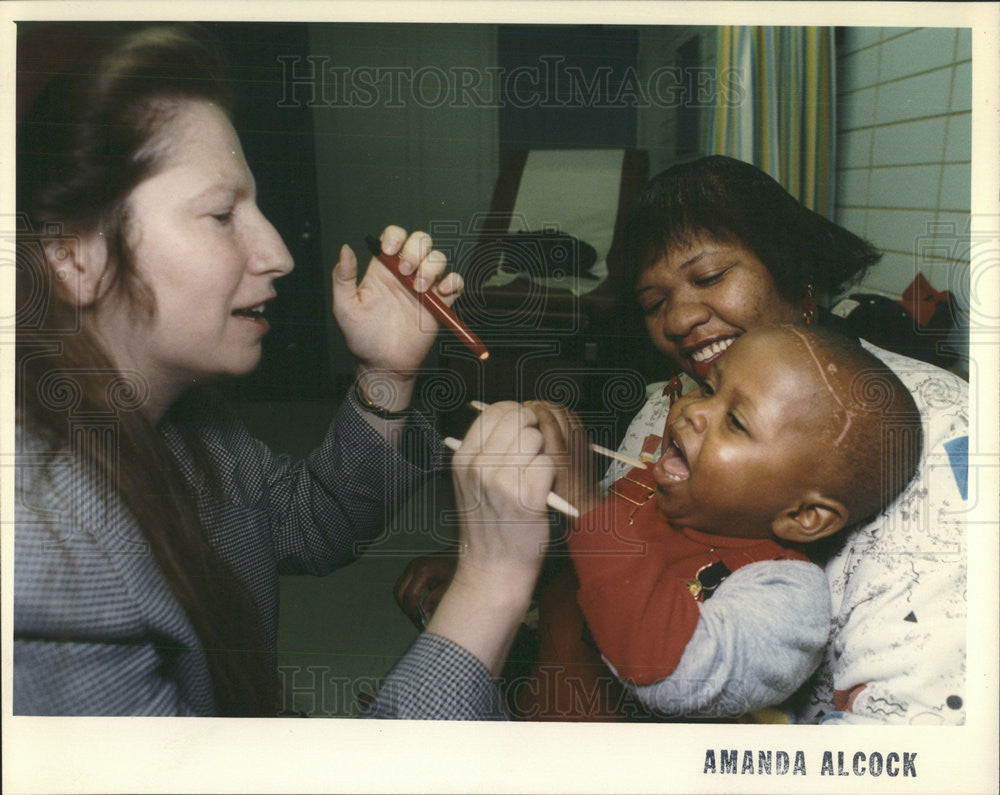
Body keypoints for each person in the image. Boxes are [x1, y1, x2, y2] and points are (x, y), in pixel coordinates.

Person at [13, 23, 555, 718]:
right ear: (75, 256)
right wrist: (492, 582)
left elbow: (312, 519)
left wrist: (385, 371)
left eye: (258, 207)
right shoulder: (40, 551)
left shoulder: (189, 419)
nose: (277, 251)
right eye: (220, 214)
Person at [396, 155, 969, 725]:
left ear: (795, 272)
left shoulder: (940, 434)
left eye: (710, 276)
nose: (678, 320)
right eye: (654, 303)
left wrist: (578, 514)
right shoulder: (677, 396)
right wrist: (493, 566)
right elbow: (626, 556)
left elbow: (912, 739)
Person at [513, 324, 922, 720]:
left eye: (736, 421)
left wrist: (587, 508)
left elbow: (668, 676)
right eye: (708, 388)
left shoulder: (783, 593)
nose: (694, 410)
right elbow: (567, 572)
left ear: (804, 516)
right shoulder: (640, 488)